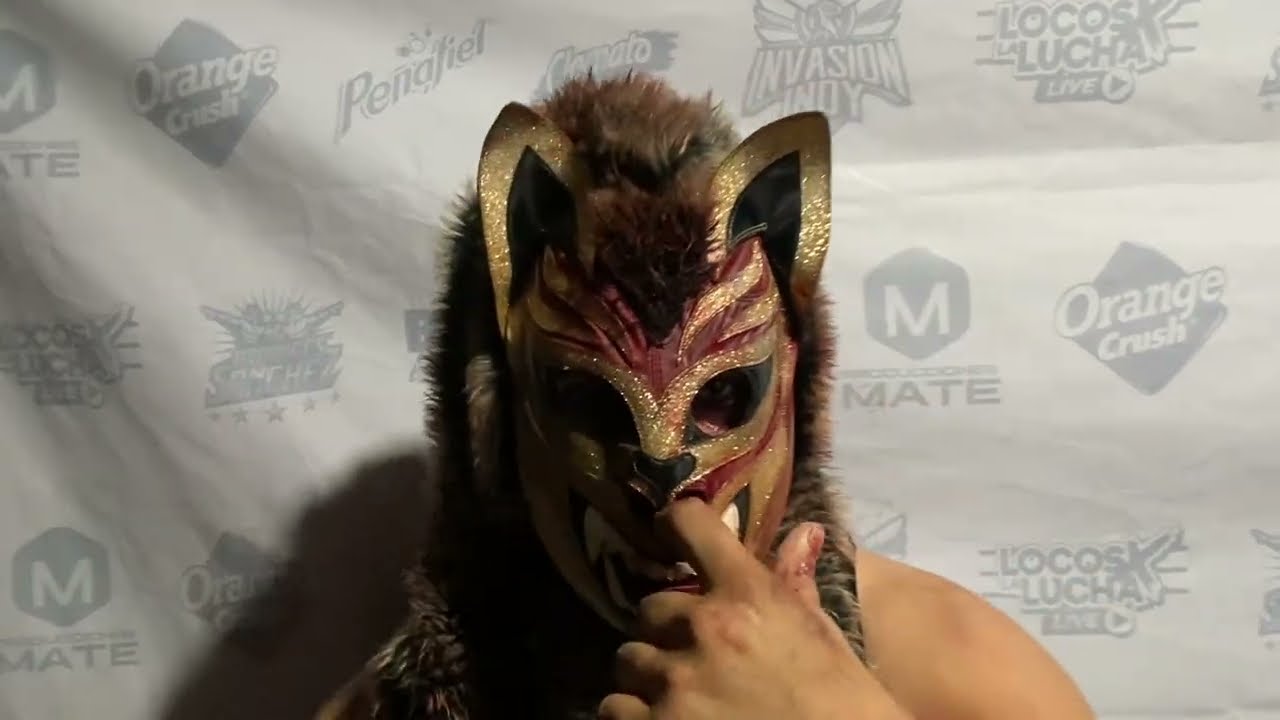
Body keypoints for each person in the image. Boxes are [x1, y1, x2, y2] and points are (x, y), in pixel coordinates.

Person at [316, 72, 1096, 719]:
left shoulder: (964, 670)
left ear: (793, 383)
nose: (666, 471)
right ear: (496, 422)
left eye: (724, 392)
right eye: (592, 401)